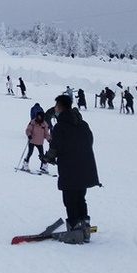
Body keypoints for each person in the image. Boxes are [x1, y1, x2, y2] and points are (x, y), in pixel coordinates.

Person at [42, 94, 100, 244]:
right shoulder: (83, 124)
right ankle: (84, 229)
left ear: (60, 107)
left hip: (69, 169)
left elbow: (56, 147)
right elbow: (89, 141)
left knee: (70, 199)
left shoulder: (61, 126)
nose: (55, 109)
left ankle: (75, 231)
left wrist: (47, 158)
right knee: (80, 197)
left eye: (56, 106)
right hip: (85, 167)